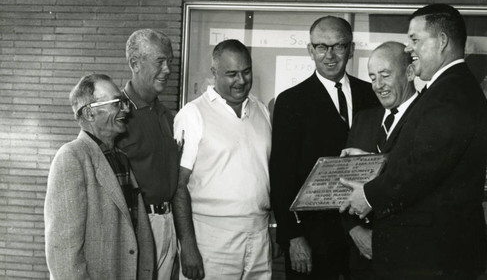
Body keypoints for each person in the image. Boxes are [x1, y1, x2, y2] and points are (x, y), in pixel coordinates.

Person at [340, 4, 487, 280]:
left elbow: (421, 167)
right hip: (436, 253)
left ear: (442, 41)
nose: (409, 48)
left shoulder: (448, 94)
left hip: (434, 255)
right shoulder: (451, 88)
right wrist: (380, 162)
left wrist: (368, 195)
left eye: (415, 39)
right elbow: (433, 157)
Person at [270, 16, 379, 280]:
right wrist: (293, 237)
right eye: (321, 47)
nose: (330, 55)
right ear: (310, 50)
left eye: (339, 46)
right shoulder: (290, 102)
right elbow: (281, 175)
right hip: (312, 239)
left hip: (364, 234)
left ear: (351, 49)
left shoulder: (373, 94)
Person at [173, 39, 272, 280]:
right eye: (231, 74)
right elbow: (178, 185)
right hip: (211, 239)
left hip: (259, 235)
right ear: (214, 73)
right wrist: (188, 246)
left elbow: (266, 175)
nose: (241, 80)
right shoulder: (193, 114)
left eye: (246, 72)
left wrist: (270, 229)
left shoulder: (262, 111)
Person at [44, 74, 154, 280]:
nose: (127, 109)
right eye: (117, 103)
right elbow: (63, 254)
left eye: (124, 102)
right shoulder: (71, 157)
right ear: (90, 113)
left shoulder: (120, 157)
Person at [340, 41, 419, 280]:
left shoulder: (427, 117)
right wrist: (354, 230)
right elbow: (344, 183)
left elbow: (421, 178)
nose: (378, 85)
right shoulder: (363, 119)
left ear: (410, 72)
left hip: (408, 255)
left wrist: (375, 162)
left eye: (385, 75)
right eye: (373, 77)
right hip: (362, 259)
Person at [117, 29, 179, 280]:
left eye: (170, 62)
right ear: (134, 63)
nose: (167, 69)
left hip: (169, 224)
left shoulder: (168, 116)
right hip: (136, 226)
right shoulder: (116, 114)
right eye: (160, 61)